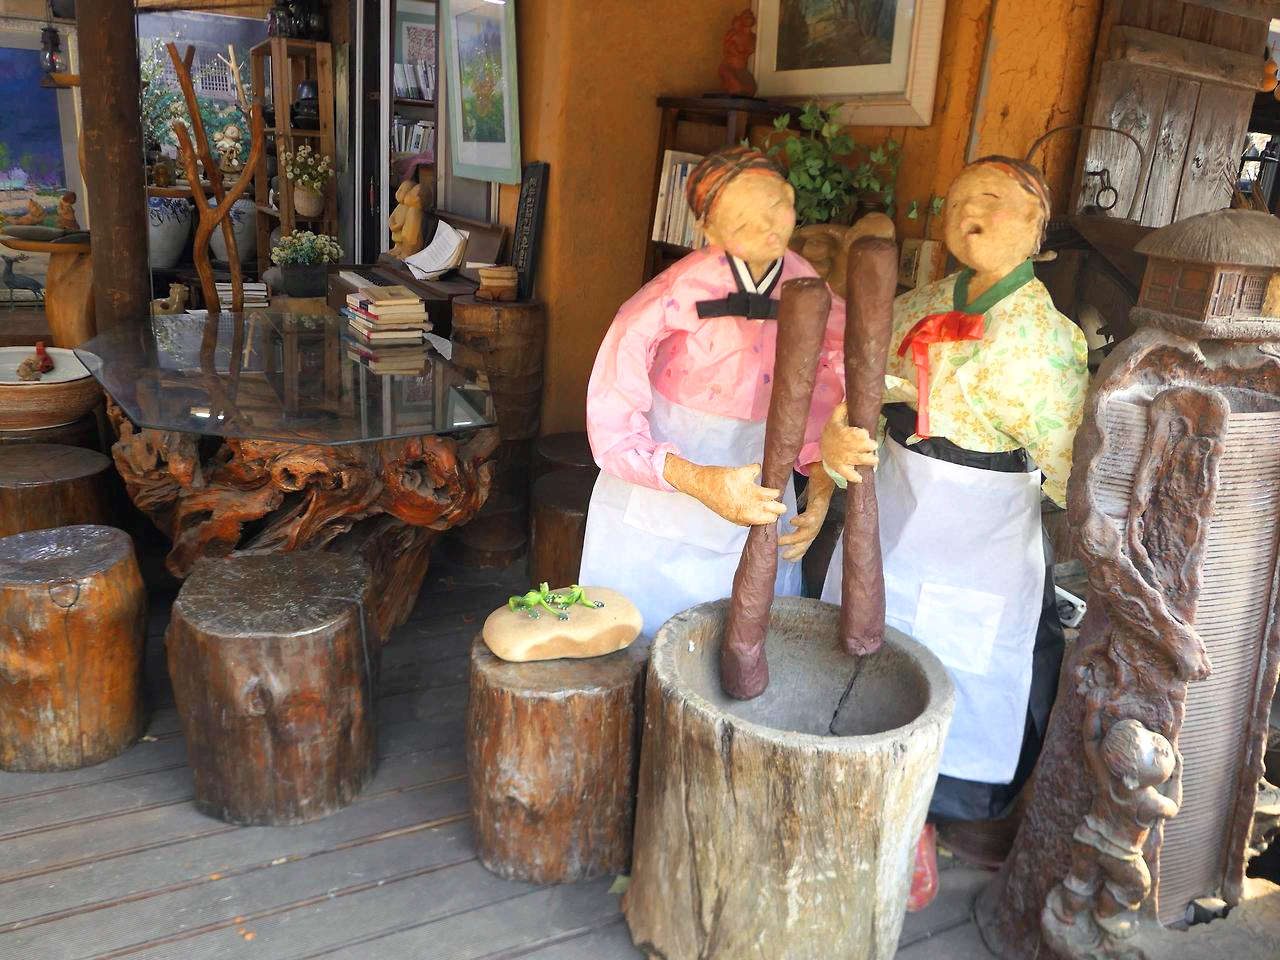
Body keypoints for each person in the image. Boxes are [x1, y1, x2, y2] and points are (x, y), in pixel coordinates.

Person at [817, 156, 1090, 908]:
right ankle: (852, 777)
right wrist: (838, 438)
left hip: (985, 518)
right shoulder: (919, 304)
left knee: (968, 659)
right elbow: (858, 391)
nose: (971, 211)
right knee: (868, 628)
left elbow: (1072, 459)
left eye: (994, 199)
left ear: (1036, 228)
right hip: (896, 494)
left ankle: (928, 818)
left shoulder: (1053, 338)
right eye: (960, 199)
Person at [579, 146, 877, 637]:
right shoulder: (674, 292)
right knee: (642, 633)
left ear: (791, 197)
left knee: (743, 629)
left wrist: (820, 485)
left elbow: (829, 377)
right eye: (742, 220)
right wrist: (699, 481)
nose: (767, 228)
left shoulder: (807, 288)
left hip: (762, 461)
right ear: (709, 231)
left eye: (775, 206)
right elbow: (612, 418)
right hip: (668, 470)